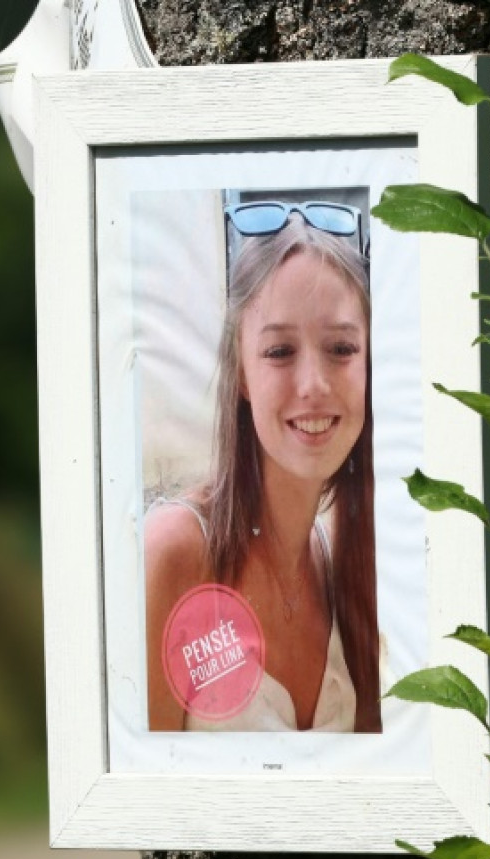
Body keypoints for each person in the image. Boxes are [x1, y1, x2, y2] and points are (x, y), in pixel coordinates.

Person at [144, 202, 380, 733]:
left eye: (341, 348)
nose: (314, 384)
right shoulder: (175, 552)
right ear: (243, 375)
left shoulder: (348, 561)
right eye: (279, 351)